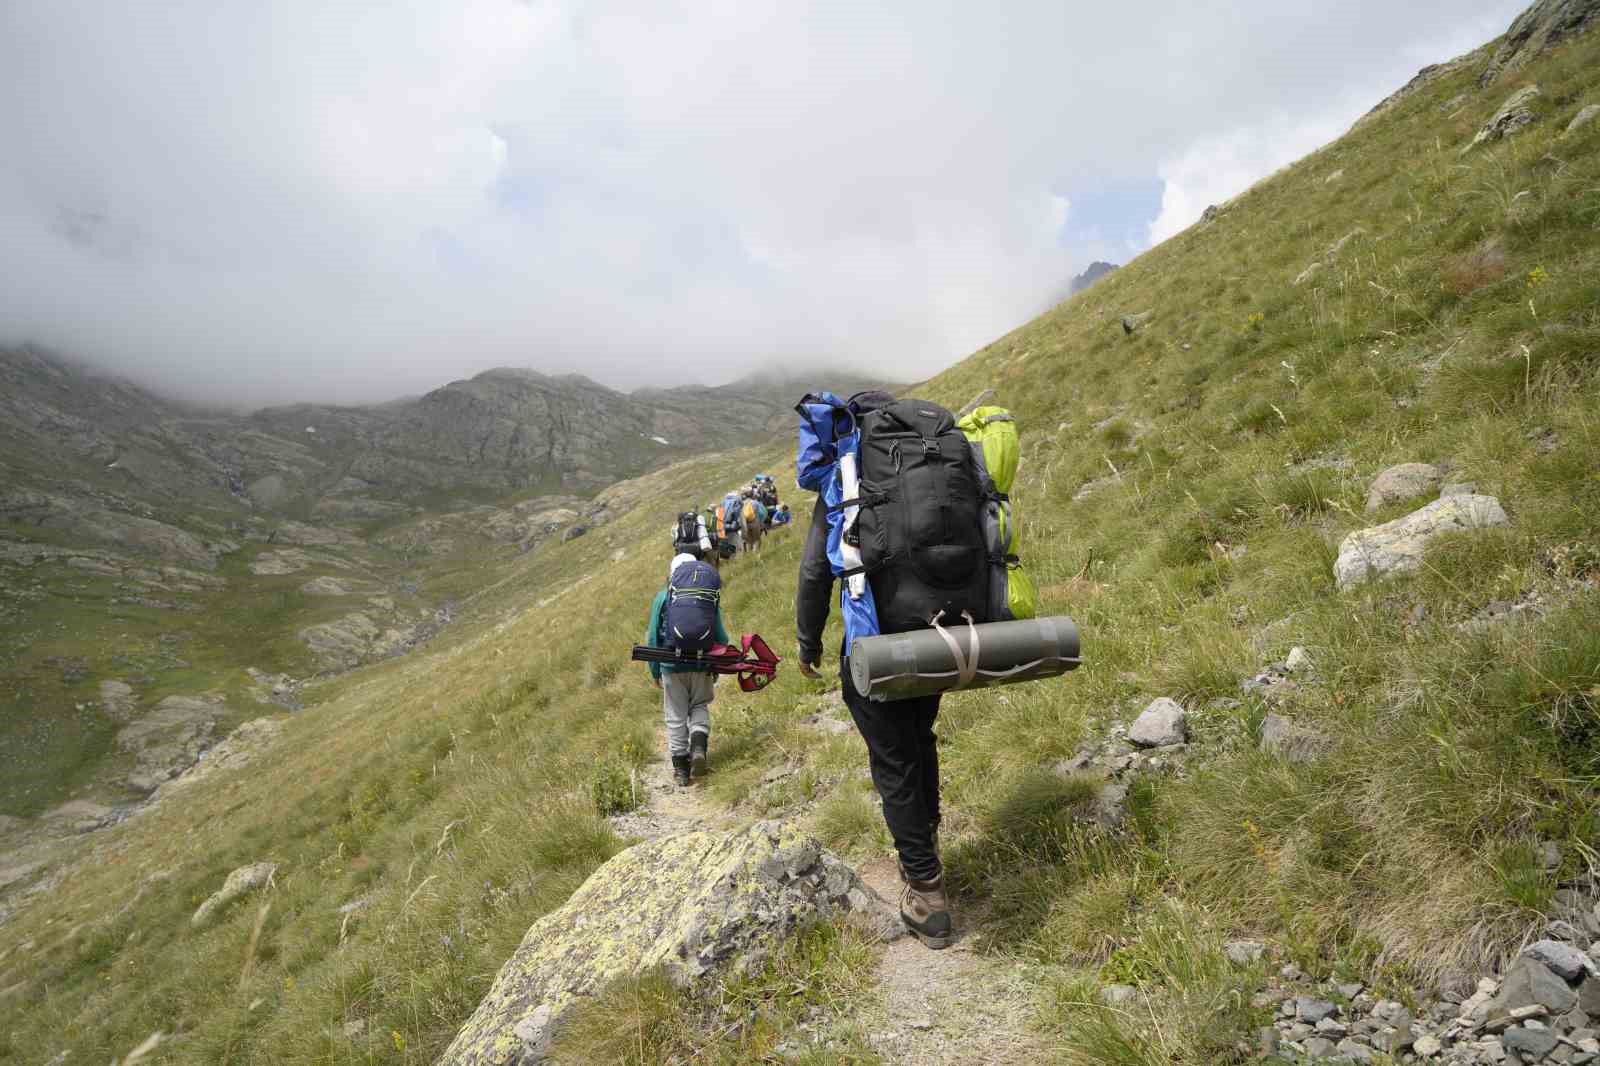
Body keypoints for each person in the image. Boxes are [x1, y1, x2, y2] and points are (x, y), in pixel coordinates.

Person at [795, 390, 952, 950]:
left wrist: (808, 643)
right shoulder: (929, 461)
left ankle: (927, 895)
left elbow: (816, 572)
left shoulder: (849, 474)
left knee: (892, 760)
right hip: (941, 632)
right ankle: (926, 846)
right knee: (918, 738)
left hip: (877, 643)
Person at [643, 553, 729, 785]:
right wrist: (717, 663)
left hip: (671, 666)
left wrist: (655, 670)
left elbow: (652, 637)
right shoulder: (707, 596)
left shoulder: (662, 598)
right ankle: (699, 747)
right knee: (699, 705)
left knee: (675, 715)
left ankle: (681, 769)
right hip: (701, 664)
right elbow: (721, 634)